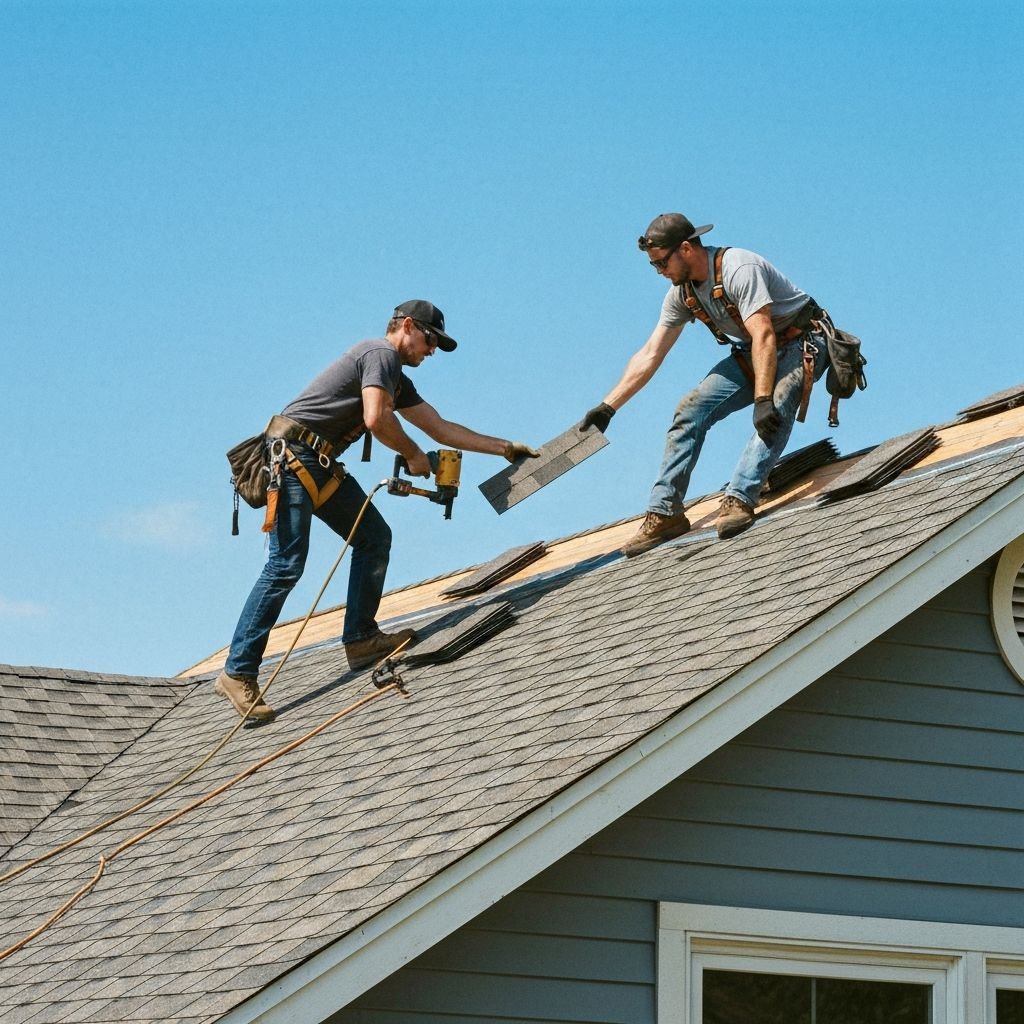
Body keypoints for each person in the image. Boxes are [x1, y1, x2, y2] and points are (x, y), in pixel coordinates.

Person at [216, 299, 539, 721]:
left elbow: (439, 426)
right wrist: (413, 454)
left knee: (374, 537)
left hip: (320, 463)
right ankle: (237, 671)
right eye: (430, 340)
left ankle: (360, 638)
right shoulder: (380, 355)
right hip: (293, 459)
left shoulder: (395, 377)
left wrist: (504, 448)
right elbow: (376, 418)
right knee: (286, 565)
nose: (432, 351)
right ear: (407, 326)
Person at [579, 213, 832, 557]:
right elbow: (651, 353)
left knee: (777, 404)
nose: (659, 272)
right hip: (752, 351)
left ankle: (740, 497)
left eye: (661, 263)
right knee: (691, 409)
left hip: (802, 342)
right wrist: (608, 406)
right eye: (654, 266)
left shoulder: (738, 267)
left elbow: (764, 333)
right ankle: (665, 512)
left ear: (685, 248)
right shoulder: (681, 295)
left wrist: (762, 399)